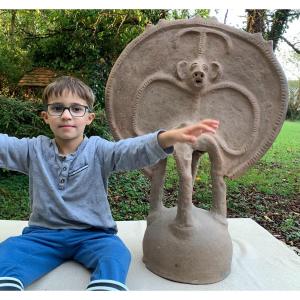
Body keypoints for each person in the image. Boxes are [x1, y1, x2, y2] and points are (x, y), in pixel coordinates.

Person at [0, 76, 219, 291]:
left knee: (116, 254)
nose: (67, 115)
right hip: (43, 235)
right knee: (7, 252)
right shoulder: (32, 150)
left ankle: (104, 290)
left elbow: (130, 150)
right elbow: (4, 145)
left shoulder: (100, 150)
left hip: (93, 235)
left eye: (77, 109)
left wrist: (167, 137)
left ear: (90, 118)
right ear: (46, 117)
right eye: (58, 108)